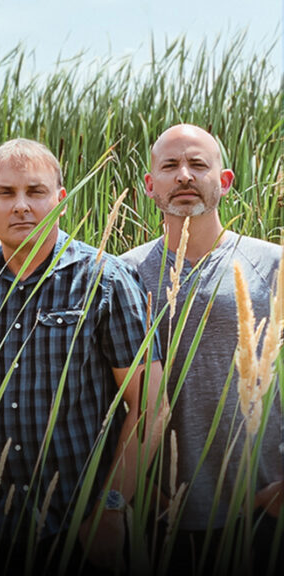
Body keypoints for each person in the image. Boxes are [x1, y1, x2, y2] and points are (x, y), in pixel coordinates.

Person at [0, 138, 166, 575]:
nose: (21, 206)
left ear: (60, 199)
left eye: (36, 192)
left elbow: (150, 406)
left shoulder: (105, 281)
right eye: (6, 193)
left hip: (81, 528)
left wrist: (112, 506)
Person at [120, 124, 283, 574]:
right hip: (160, 510)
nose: (185, 176)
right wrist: (137, 490)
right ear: (150, 186)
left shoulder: (272, 264)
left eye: (198, 164)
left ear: (224, 181)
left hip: (262, 505)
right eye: (170, 166)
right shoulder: (123, 274)